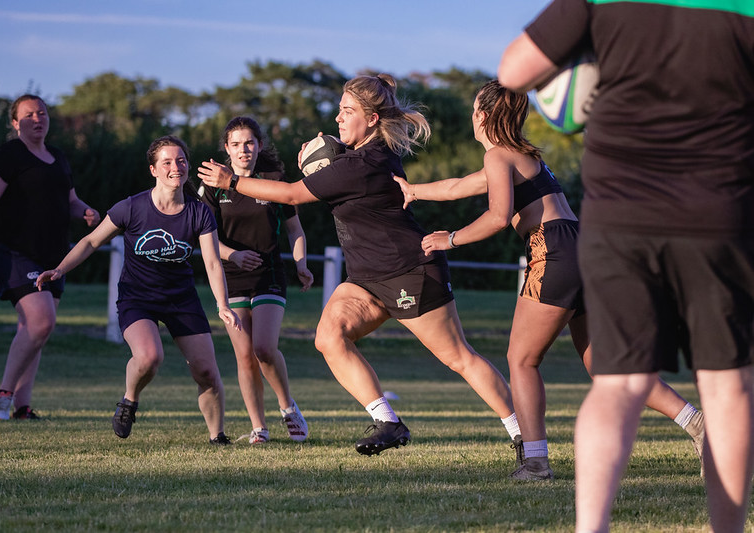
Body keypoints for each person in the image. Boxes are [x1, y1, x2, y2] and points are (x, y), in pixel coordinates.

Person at [499, 1, 754, 531]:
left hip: (621, 209)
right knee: (726, 385)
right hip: (720, 206)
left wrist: (586, 59)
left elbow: (514, 71)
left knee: (617, 384)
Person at [394, 80, 705, 481]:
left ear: (481, 116)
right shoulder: (523, 157)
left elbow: (497, 217)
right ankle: (698, 423)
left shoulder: (498, 157)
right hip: (584, 246)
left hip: (553, 250)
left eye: (473, 109)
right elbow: (458, 187)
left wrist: (449, 239)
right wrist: (413, 190)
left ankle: (536, 463)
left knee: (522, 359)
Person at [198, 73, 520, 458]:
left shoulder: (364, 162)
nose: (337, 117)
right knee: (328, 337)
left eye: (347, 111)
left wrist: (231, 182)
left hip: (409, 271)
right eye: (339, 109)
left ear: (371, 119)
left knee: (458, 358)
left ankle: (525, 434)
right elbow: (330, 170)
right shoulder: (361, 155)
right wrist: (324, 157)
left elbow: (291, 194)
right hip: (366, 278)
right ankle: (388, 423)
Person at [35, 135, 241, 444]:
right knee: (149, 357)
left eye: (181, 161)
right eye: (167, 162)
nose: (176, 167)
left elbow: (212, 263)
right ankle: (129, 400)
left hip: (181, 299)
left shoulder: (199, 212)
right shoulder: (131, 207)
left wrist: (222, 305)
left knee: (207, 373)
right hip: (138, 297)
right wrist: (60, 269)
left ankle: (217, 437)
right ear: (153, 170)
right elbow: (91, 241)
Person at [0, 94, 99, 421]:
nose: (37, 119)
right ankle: (3, 393)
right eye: (28, 115)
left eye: (42, 113)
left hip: (55, 258)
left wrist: (85, 211)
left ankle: (21, 407)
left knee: (34, 331)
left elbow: (70, 201)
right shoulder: (7, 156)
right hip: (16, 253)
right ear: (15, 123)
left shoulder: (58, 156)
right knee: (41, 321)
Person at [198, 117, 313, 444]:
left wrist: (301, 263)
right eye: (236, 144)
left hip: (269, 275)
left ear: (259, 145)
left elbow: (295, 230)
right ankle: (259, 428)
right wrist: (233, 255)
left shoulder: (274, 182)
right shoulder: (213, 186)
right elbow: (205, 239)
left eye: (249, 142)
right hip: (230, 278)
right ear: (227, 148)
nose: (243, 149)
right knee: (245, 356)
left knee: (263, 348)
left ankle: (288, 407)